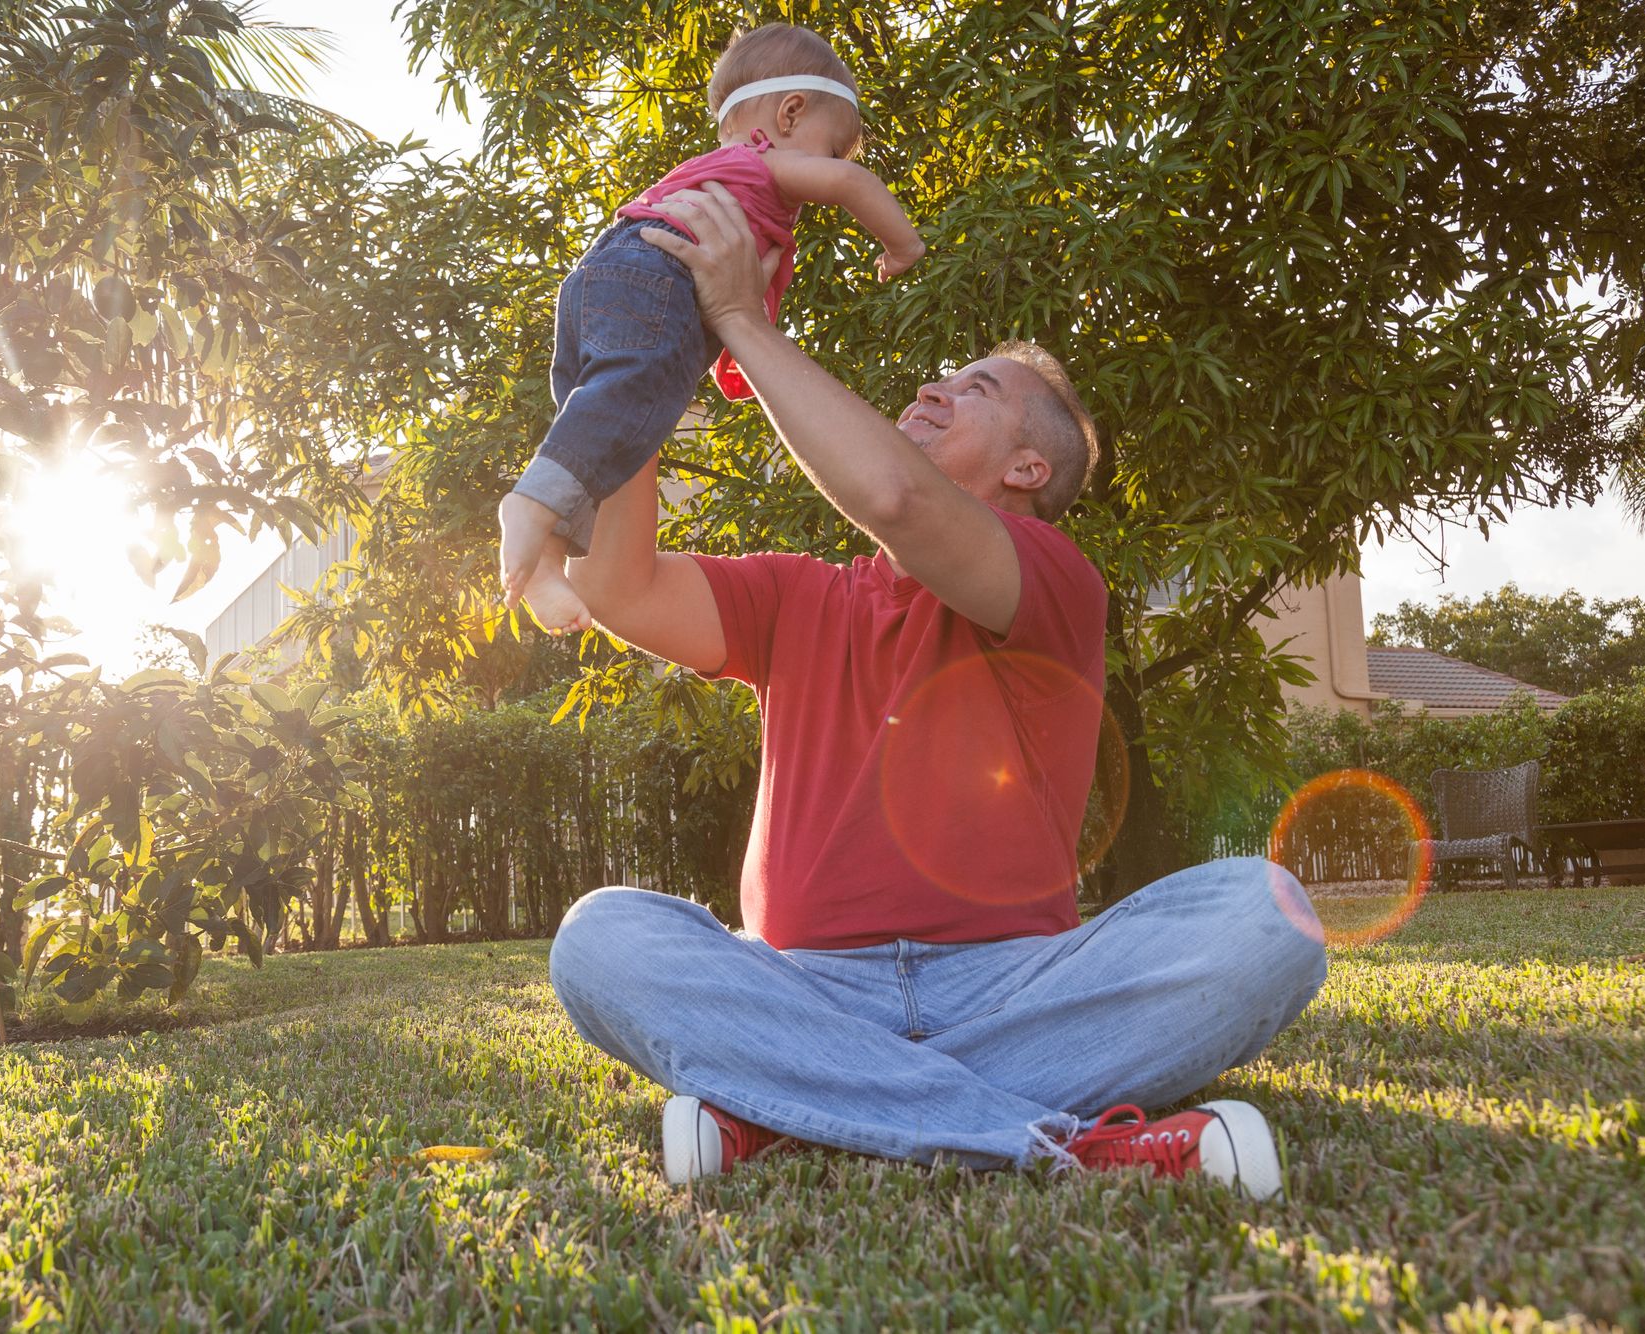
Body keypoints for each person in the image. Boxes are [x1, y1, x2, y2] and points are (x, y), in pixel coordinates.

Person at [545, 180, 1329, 1197]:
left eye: (977, 391)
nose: (931, 391)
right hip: (804, 985)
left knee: (1271, 914)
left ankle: (791, 1110)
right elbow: (614, 584)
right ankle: (1051, 1134)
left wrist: (738, 314)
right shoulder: (793, 593)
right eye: (940, 379)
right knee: (601, 936)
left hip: (1018, 984)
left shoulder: (1051, 575)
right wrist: (640, 353)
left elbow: (894, 497)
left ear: (1027, 467)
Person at [498, 24, 926, 634]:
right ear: (790, 112)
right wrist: (902, 245)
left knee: (609, 426)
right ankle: (529, 504)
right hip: (656, 271)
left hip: (603, 272)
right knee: (633, 398)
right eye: (831, 148)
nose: (826, 167)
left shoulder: (718, 169)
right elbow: (854, 185)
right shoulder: (767, 161)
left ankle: (543, 564)